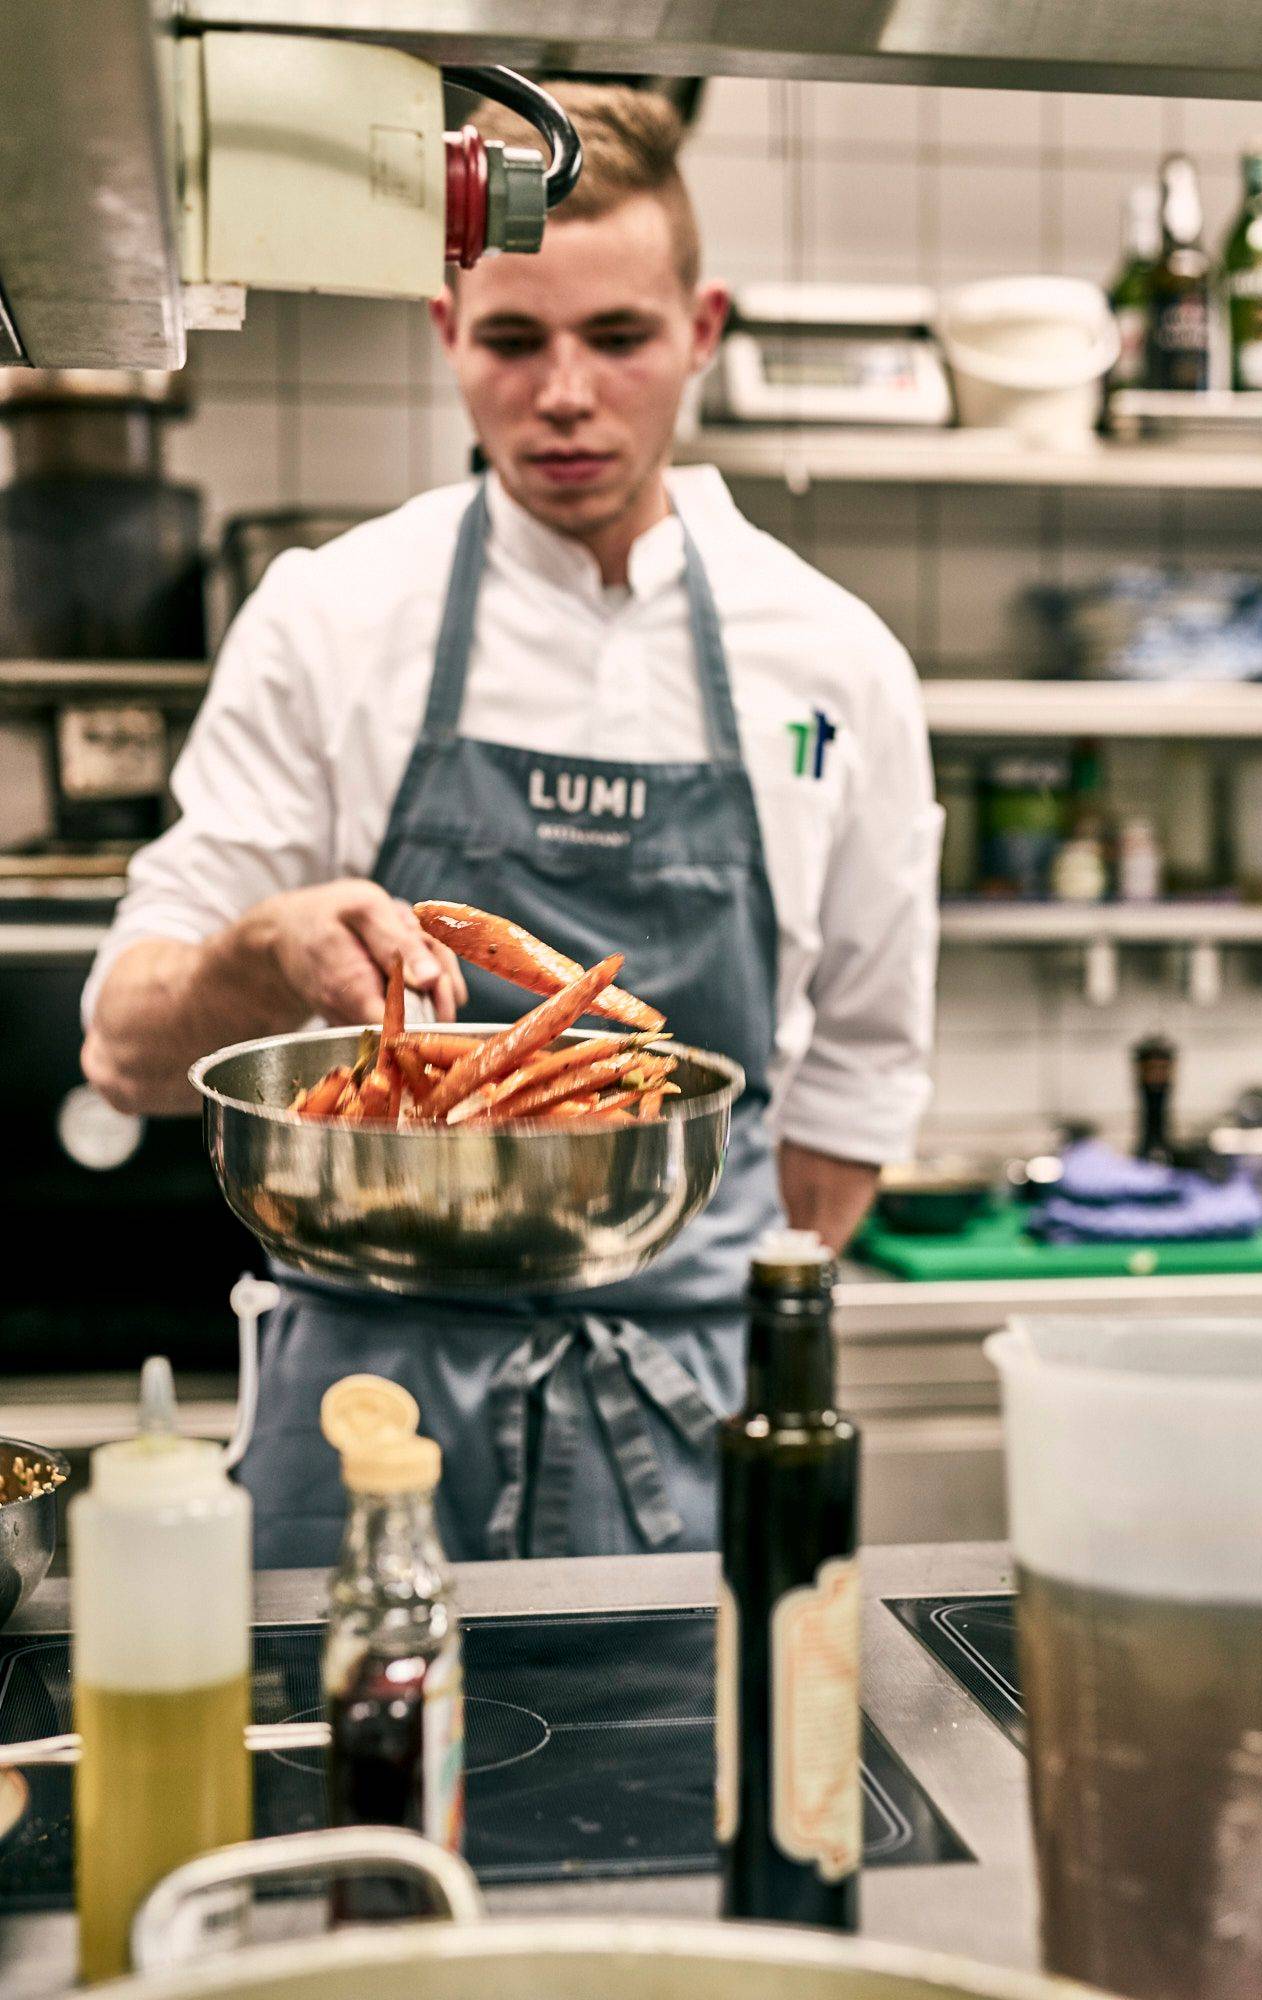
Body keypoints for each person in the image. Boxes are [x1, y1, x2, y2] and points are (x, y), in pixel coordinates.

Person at [81, 84, 941, 1568]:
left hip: (691, 1417)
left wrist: (662, 1275)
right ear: (443, 331)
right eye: (514, 339)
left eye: (617, 340)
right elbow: (129, 1049)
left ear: (703, 328)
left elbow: (851, 1103)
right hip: (363, 1417)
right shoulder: (333, 619)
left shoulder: (835, 658)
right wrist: (276, 948)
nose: (563, 397)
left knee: (705, 1786)